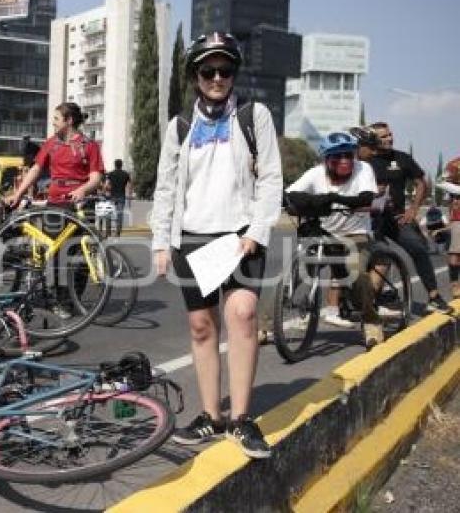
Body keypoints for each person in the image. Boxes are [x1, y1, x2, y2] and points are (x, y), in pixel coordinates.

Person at [151, 32, 282, 459]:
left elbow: (271, 178)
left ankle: (241, 419)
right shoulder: (180, 127)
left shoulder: (253, 115)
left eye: (225, 70)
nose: (217, 77)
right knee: (202, 327)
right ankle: (212, 415)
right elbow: (166, 188)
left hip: (242, 235)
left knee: (242, 316)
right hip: (194, 237)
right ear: (194, 76)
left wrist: (257, 230)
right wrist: (161, 241)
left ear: (234, 74)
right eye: (208, 70)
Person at [285, 132, 386, 346]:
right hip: (325, 233)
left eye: (348, 155)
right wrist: (311, 202)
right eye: (337, 156)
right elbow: (291, 194)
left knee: (357, 275)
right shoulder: (315, 174)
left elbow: (368, 195)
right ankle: (265, 327)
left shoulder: (363, 169)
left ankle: (371, 322)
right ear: (326, 159)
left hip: (355, 234)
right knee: (293, 275)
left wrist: (338, 199)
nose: (344, 161)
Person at [6, 102, 105, 318]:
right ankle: (59, 301)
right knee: (59, 253)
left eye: (56, 119)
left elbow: (96, 176)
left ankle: (74, 299)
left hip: (81, 204)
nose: (52, 123)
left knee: (81, 256)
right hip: (56, 203)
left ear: (69, 121)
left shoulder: (89, 145)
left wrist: (84, 189)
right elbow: (36, 169)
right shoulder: (51, 144)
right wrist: (19, 193)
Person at [365, 122, 451, 314]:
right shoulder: (364, 161)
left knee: (419, 249)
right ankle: (368, 300)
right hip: (369, 219)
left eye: (389, 135)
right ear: (372, 139)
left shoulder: (402, 158)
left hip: (396, 218)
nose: (388, 139)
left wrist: (413, 209)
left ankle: (434, 297)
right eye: (383, 136)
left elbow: (421, 183)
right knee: (373, 257)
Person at [436, 155, 460, 299]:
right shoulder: (455, 164)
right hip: (459, 217)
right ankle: (454, 284)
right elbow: (439, 181)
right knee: (456, 254)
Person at [105, 159, 132, 236]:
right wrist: (129, 197)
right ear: (121, 165)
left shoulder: (110, 174)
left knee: (108, 214)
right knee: (120, 215)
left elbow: (106, 186)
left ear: (115, 165)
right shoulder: (126, 174)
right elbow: (130, 186)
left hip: (112, 196)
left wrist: (107, 190)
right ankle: (118, 233)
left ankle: (108, 232)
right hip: (121, 197)